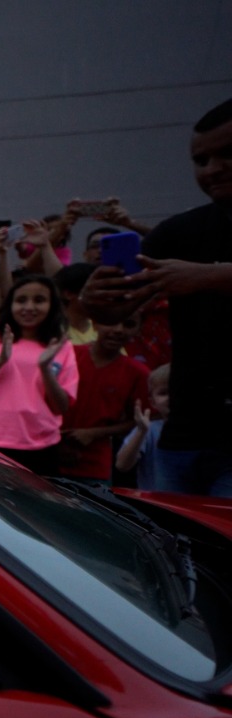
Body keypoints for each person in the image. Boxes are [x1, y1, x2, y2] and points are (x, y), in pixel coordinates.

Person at [83, 97, 232, 496]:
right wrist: (96, 297)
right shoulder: (183, 231)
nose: (213, 169)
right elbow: (115, 306)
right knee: (180, 549)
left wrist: (210, 276)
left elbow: (201, 278)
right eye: (201, 160)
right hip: (186, 434)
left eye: (227, 154)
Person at [0, 275, 78, 475]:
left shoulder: (60, 346)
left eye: (39, 300)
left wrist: (45, 368)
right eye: (21, 300)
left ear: (52, 305)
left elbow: (60, 407)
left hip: (42, 446)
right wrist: (0, 361)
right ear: (10, 304)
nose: (29, 307)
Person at [56, 312, 149, 483]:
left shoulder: (138, 373)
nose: (119, 330)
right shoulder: (68, 355)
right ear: (95, 323)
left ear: (138, 330)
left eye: (129, 324)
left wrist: (95, 433)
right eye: (111, 322)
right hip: (47, 453)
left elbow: (138, 419)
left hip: (94, 465)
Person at [116, 364, 170, 491]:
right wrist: (141, 431)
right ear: (152, 402)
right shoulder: (149, 429)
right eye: (163, 393)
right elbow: (122, 465)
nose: (170, 398)